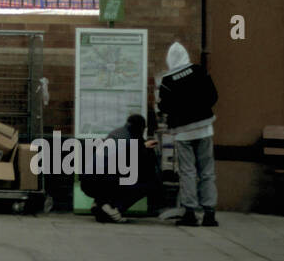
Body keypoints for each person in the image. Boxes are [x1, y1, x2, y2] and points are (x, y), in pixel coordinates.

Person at [156, 42, 219, 227]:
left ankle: (190, 212)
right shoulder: (199, 71)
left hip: (183, 132)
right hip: (205, 128)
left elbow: (164, 106)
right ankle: (209, 213)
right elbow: (213, 96)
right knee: (207, 171)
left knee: (187, 172)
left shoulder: (167, 80)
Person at [82, 114, 161, 224]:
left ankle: (101, 203)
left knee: (117, 175)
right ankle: (115, 209)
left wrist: (142, 146)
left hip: (88, 182)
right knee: (148, 183)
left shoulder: (116, 132)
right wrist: (145, 148)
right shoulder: (132, 138)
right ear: (142, 128)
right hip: (103, 182)